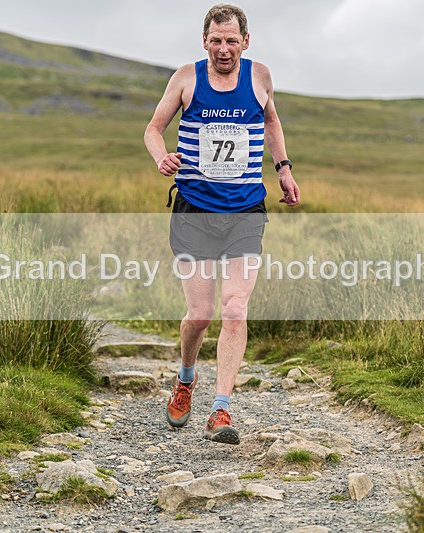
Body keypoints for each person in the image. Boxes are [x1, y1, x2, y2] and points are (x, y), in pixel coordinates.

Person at [144, 4, 300, 445]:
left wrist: (283, 167)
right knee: (200, 315)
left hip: (246, 212)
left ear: (245, 42)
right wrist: (162, 157)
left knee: (234, 309)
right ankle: (186, 378)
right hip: (194, 211)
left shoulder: (260, 77)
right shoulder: (186, 79)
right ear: (205, 41)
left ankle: (221, 408)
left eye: (232, 40)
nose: (224, 48)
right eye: (216, 40)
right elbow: (153, 129)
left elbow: (271, 120)